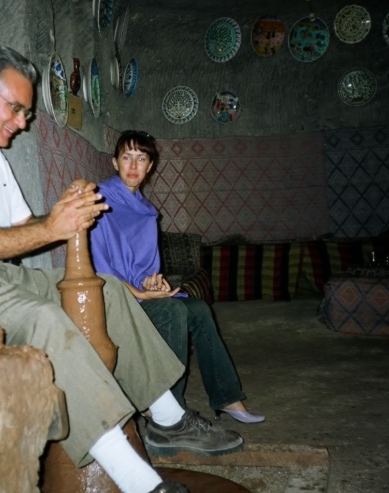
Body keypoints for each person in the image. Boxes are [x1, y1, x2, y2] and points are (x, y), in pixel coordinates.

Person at [0, 45, 244, 493]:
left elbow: (27, 227)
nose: (23, 122)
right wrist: (56, 226)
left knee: (107, 290)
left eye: (26, 112)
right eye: (17, 108)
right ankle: (142, 484)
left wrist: (69, 213)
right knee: (44, 318)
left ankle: (168, 419)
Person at [89, 130, 265, 424]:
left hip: (137, 293)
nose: (133, 166)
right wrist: (141, 292)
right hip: (113, 297)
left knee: (197, 308)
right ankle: (171, 412)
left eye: (141, 159)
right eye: (126, 158)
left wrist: (151, 282)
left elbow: (142, 267)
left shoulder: (145, 210)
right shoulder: (100, 201)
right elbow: (100, 269)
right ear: (114, 162)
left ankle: (228, 397)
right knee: (172, 311)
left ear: (151, 166)